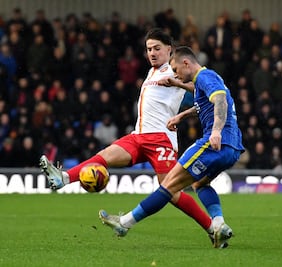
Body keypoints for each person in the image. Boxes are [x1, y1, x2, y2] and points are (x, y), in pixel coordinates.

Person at [39, 28, 221, 247]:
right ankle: (64, 178)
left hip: (161, 140)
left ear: (169, 50)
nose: (152, 53)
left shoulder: (175, 69)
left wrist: (177, 84)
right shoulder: (152, 72)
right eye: (148, 49)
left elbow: (197, 85)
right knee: (104, 155)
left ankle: (212, 228)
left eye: (157, 48)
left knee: (171, 192)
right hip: (139, 136)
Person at [99, 46, 245, 248]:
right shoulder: (208, 79)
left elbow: (220, 100)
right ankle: (219, 226)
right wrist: (181, 115)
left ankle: (124, 223)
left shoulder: (205, 76)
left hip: (216, 142)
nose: (174, 73)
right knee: (200, 184)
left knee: (168, 186)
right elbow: (205, 101)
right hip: (233, 148)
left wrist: (216, 131)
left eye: (176, 70)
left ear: (186, 63)